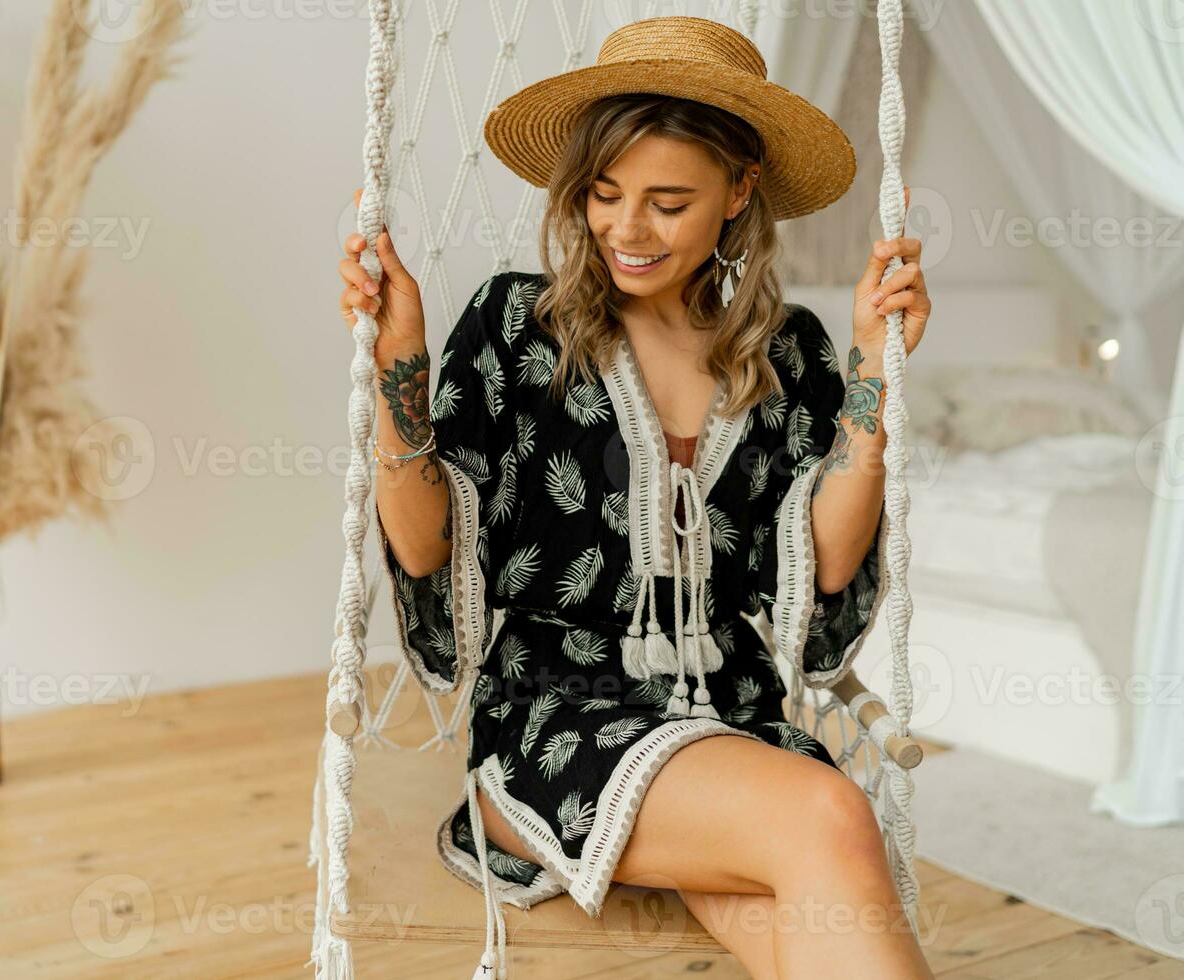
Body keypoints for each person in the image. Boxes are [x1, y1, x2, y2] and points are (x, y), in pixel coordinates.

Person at [336, 17, 932, 980]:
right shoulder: (518, 329)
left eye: (667, 202)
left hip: (736, 720)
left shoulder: (792, 354)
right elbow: (421, 551)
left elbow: (822, 565)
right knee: (828, 817)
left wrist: (871, 369)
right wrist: (397, 363)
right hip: (556, 717)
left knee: (803, 927)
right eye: (604, 195)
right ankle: (512, 808)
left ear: (739, 193)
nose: (624, 229)